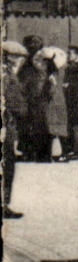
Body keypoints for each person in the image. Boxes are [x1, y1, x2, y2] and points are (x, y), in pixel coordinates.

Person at [2, 40, 27, 218]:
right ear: (9, 58)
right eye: (17, 57)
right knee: (7, 164)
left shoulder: (8, 74)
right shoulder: (7, 76)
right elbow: (14, 102)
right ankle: (4, 204)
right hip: (6, 124)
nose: (19, 60)